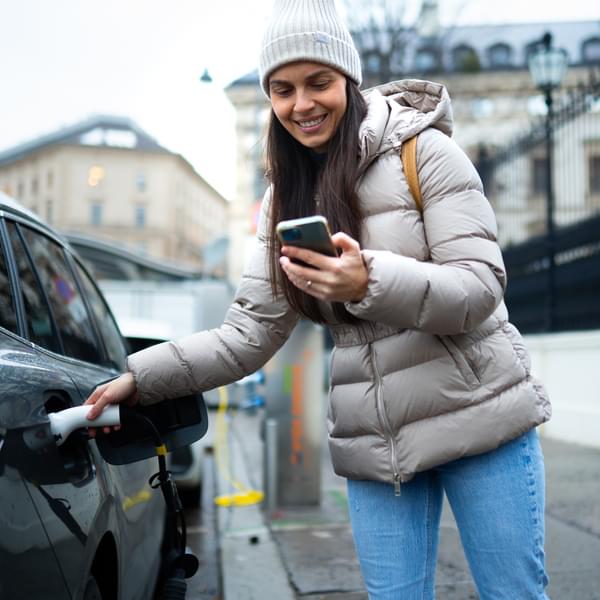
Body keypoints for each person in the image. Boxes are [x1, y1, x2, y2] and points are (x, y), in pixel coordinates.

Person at [85, 0, 552, 598]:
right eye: (281, 90)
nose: (301, 104)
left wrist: (368, 283)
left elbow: (480, 288)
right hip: (376, 440)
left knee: (513, 593)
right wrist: (138, 377)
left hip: (482, 413)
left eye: (318, 82)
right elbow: (246, 334)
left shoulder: (425, 153)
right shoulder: (283, 199)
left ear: (348, 79)